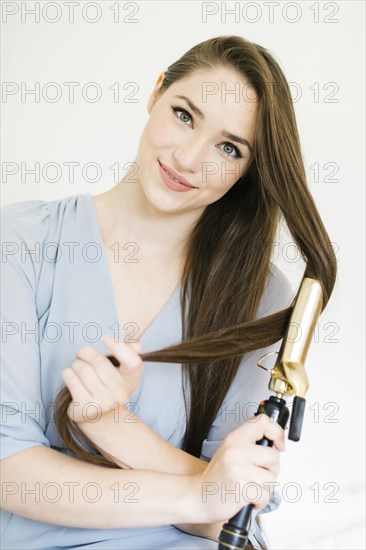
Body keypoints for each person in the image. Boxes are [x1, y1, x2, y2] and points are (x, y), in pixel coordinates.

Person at [0, 35, 336, 549]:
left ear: (248, 168)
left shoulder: (261, 294)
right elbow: (10, 471)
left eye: (229, 147)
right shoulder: (22, 242)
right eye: (184, 114)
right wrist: (200, 493)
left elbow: (237, 511)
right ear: (157, 92)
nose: (188, 157)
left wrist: (116, 427)